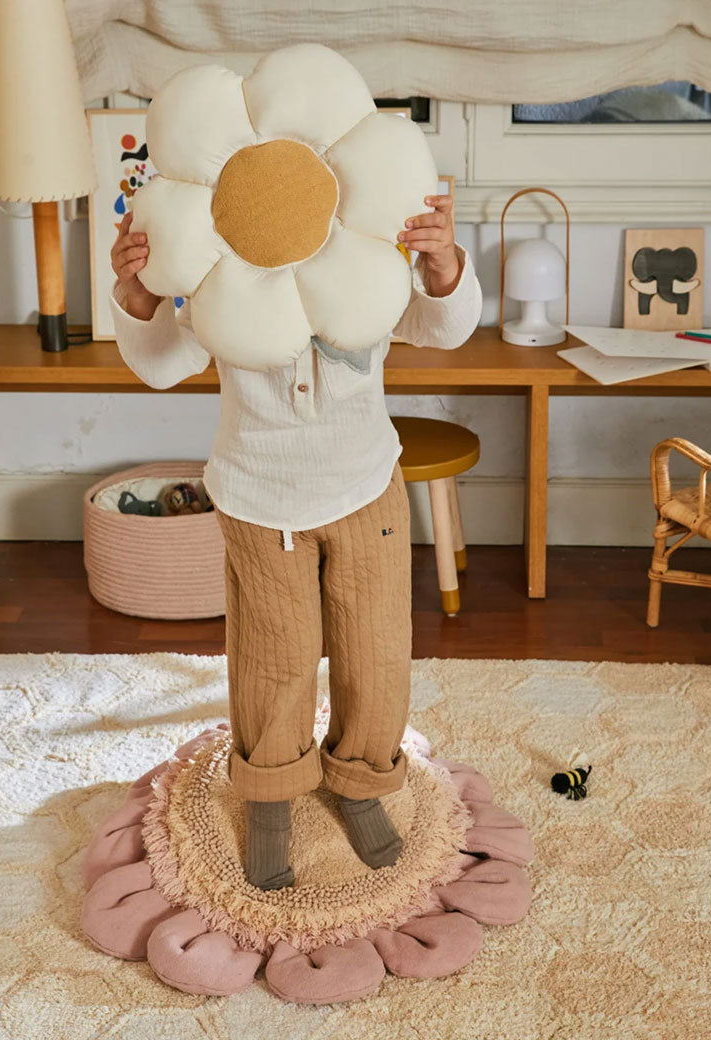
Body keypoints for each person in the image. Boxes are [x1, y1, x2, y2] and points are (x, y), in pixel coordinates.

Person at [109, 196, 483, 890]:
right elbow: (162, 362)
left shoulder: (366, 251)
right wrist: (138, 295)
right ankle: (271, 795)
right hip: (259, 495)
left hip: (364, 486)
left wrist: (443, 265)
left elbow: (444, 326)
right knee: (272, 657)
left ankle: (361, 781)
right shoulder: (221, 261)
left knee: (375, 650)